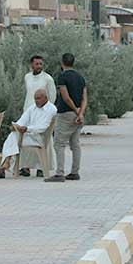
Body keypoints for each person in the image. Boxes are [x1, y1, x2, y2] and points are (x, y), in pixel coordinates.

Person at [0, 89, 57, 179]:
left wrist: (26, 129)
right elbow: (23, 119)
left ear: (45, 98)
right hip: (29, 136)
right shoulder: (33, 107)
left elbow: (42, 127)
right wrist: (16, 126)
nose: (36, 101)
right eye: (35, 99)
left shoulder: (51, 109)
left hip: (40, 138)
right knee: (13, 134)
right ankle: (5, 164)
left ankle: (4, 166)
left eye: (38, 98)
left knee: (13, 136)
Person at [45, 53, 88, 183]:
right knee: (75, 144)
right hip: (78, 115)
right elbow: (85, 98)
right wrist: (80, 113)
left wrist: (75, 110)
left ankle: (60, 173)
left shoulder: (62, 77)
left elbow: (65, 97)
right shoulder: (80, 78)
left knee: (59, 143)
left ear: (62, 62)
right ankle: (75, 172)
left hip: (65, 114)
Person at [20, 55, 57, 177]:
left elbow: (52, 96)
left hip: (42, 114)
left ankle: (42, 166)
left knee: (43, 139)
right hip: (28, 112)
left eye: (41, 64)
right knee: (26, 138)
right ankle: (25, 167)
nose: (39, 66)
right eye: (37, 64)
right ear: (32, 65)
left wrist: (46, 111)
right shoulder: (27, 77)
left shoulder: (48, 79)